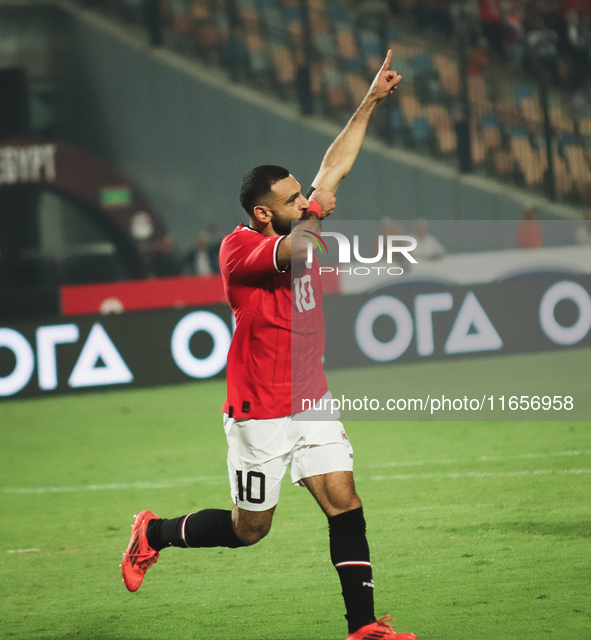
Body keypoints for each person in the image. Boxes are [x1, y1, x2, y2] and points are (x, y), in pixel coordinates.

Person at [121, 51, 417, 640]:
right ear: (263, 213)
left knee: (344, 500)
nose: (301, 201)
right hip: (260, 409)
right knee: (250, 529)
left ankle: (363, 628)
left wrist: (370, 102)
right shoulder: (241, 251)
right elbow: (301, 248)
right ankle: (152, 533)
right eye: (289, 201)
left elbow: (332, 170)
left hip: (310, 398)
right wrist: (314, 215)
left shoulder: (295, 218)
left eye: (298, 196)